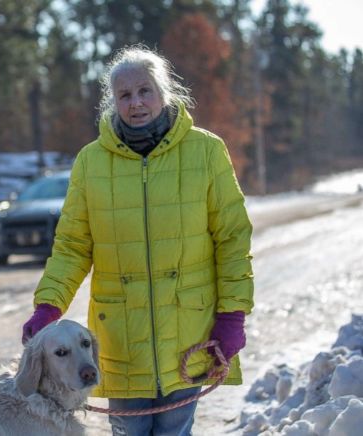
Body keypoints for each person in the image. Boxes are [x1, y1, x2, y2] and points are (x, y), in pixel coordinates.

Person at [21, 45, 254, 436]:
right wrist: (48, 306)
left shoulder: (207, 151)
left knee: (174, 431)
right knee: (127, 432)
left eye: (145, 90)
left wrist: (232, 315)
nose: (136, 103)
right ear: (113, 103)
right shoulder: (90, 162)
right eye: (125, 95)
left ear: (164, 92)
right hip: (120, 338)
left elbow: (232, 239)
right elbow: (73, 246)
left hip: (188, 328)